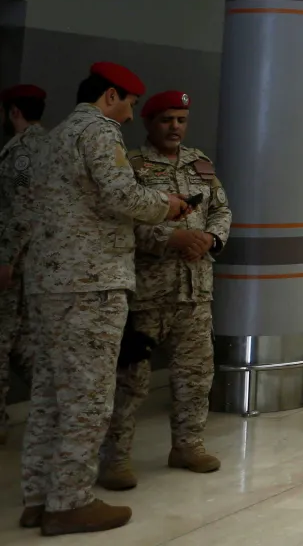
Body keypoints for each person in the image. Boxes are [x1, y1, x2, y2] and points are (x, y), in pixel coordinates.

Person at [19, 63, 189, 535]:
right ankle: (70, 501)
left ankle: (38, 497)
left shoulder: (52, 138)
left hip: (48, 280)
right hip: (91, 281)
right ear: (111, 95)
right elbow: (120, 196)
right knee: (89, 397)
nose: (132, 115)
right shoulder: (99, 130)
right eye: (131, 103)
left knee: (50, 394)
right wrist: (165, 206)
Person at [99, 91, 231, 491]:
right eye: (166, 120)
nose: (175, 127)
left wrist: (209, 238)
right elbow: (122, 219)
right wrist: (169, 238)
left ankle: (188, 445)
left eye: (181, 120)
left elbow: (222, 209)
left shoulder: (200, 163)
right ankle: (116, 459)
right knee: (130, 381)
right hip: (146, 294)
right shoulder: (132, 165)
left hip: (195, 292)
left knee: (195, 375)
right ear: (149, 123)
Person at [0, 84, 47, 443]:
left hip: (16, 260)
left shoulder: (23, 151)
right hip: (37, 260)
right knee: (25, 341)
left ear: (14, 111)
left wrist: (6, 259)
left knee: (7, 338)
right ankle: (57, 406)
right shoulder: (49, 145)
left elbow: (22, 210)